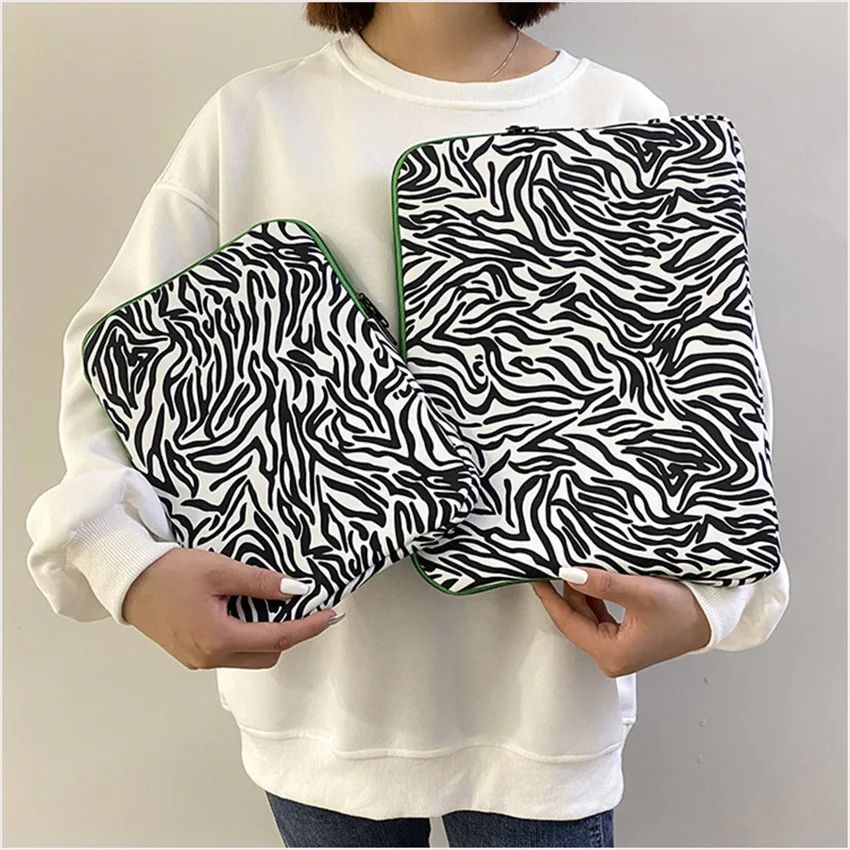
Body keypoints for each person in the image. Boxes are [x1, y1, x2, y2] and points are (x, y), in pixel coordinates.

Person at [25, 2, 790, 847]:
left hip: (547, 705)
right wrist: (125, 565)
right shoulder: (253, 121)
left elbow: (718, 392)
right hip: (321, 707)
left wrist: (714, 603)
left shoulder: (618, 114)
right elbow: (114, 359)